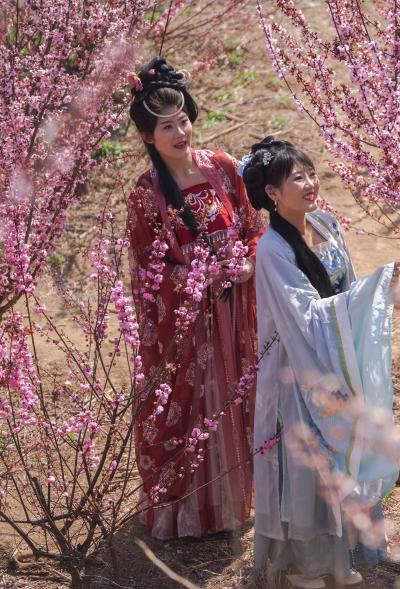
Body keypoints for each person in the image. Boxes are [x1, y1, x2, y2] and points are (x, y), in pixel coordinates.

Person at [242, 137, 400, 588]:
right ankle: (305, 564)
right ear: (272, 193)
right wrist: (370, 291)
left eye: (311, 173)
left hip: (336, 354)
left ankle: (341, 555)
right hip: (297, 366)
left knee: (341, 452)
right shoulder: (272, 249)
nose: (311, 183)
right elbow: (306, 316)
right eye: (298, 178)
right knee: (308, 459)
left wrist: (370, 295)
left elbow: (345, 287)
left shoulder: (326, 224)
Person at [126, 57, 263, 539]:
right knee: (193, 407)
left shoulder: (222, 167)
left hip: (236, 308)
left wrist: (249, 261)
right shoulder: (147, 194)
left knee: (239, 394)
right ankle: (190, 511)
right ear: (149, 137)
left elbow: (253, 224)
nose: (180, 132)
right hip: (189, 322)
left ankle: (236, 500)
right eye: (167, 126)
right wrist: (196, 278)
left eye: (183, 120)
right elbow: (146, 268)